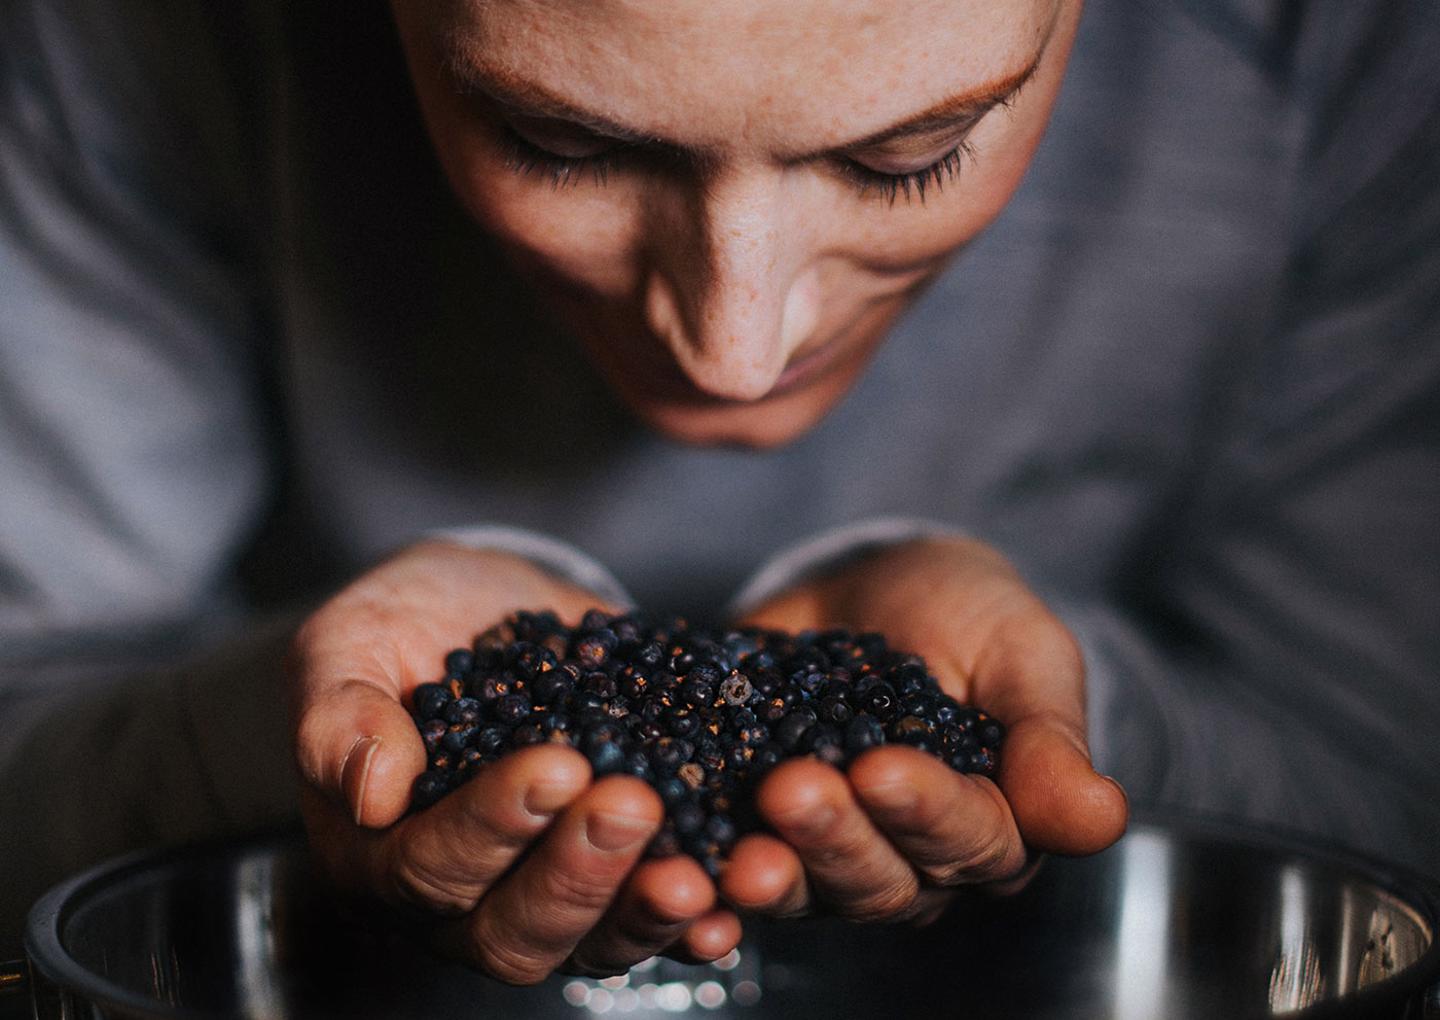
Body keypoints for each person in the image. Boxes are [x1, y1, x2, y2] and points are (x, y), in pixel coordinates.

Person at [1, 0, 1436, 983]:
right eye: (559, 141)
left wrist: (1072, 728)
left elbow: (1394, 800)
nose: (732, 354)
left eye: (910, 155)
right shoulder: (133, 39)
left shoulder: (1353, 47)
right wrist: (298, 735)